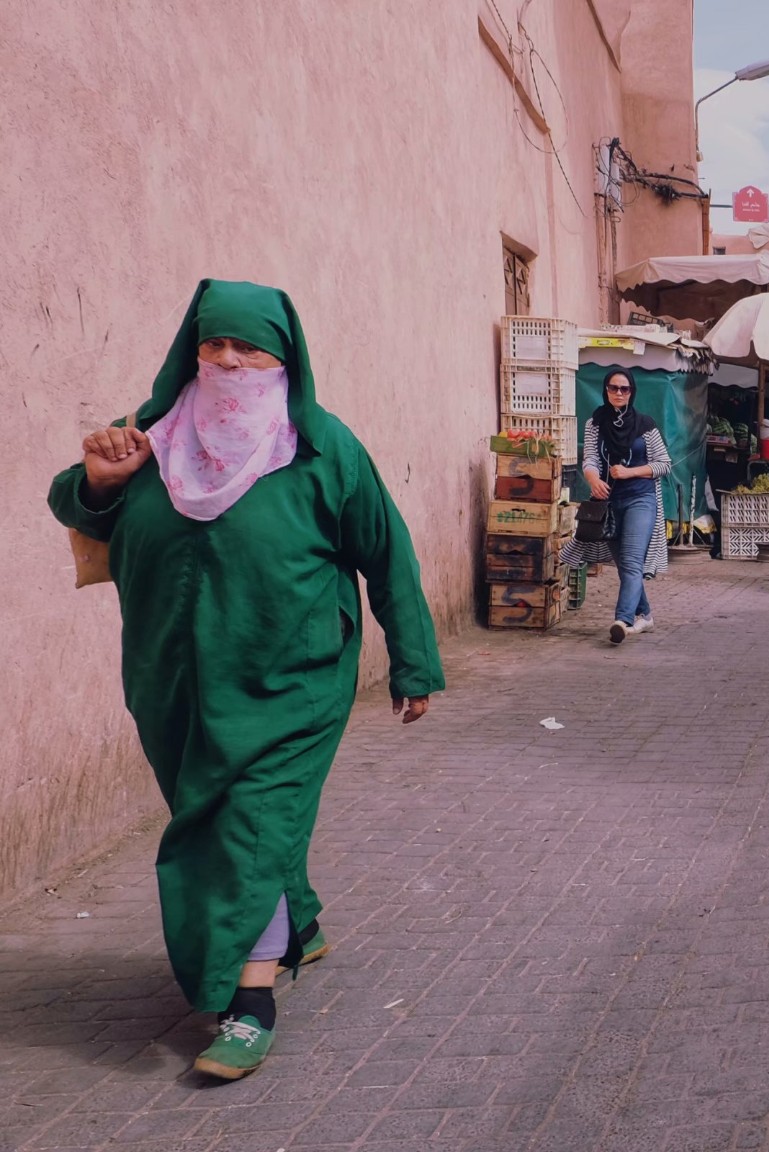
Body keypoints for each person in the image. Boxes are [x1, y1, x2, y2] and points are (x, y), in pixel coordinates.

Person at [46, 279, 443, 1081]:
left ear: (284, 357)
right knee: (221, 811)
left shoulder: (324, 448)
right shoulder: (151, 437)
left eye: (249, 347)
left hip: (291, 681)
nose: (229, 361)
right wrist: (98, 483)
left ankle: (248, 1002)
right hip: (172, 677)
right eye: (213, 345)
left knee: (245, 822)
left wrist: (412, 662)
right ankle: (296, 915)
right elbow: (78, 505)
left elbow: (386, 554)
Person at [562, 370, 672, 645]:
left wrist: (630, 472)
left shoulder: (646, 426)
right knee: (625, 565)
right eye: (614, 388)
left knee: (633, 561)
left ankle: (622, 620)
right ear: (606, 390)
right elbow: (588, 458)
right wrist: (594, 479)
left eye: (625, 389)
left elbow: (664, 464)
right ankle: (644, 615)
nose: (619, 393)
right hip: (608, 506)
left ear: (632, 392)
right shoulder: (595, 424)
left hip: (640, 500)